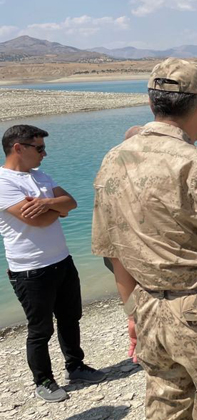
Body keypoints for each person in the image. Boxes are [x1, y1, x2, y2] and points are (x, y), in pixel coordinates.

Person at [92, 58, 197, 419]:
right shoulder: (196, 162)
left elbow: (113, 251)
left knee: (167, 404)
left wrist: (132, 312)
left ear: (152, 103)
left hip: (150, 310)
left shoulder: (113, 160)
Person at [1, 125, 105, 403]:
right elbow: (37, 220)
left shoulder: (40, 176)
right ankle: (43, 380)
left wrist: (49, 204)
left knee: (71, 318)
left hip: (62, 261)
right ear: (18, 148)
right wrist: (54, 209)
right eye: (39, 148)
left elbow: (71, 202)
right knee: (40, 329)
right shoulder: (3, 182)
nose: (45, 154)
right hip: (30, 270)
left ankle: (76, 366)